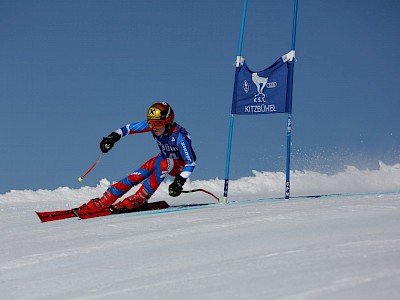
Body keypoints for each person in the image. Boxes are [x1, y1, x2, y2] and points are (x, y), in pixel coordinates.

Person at [76, 102, 196, 214]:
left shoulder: (180, 137)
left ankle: (140, 197)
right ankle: (107, 198)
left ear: (168, 122)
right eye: (151, 123)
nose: (154, 127)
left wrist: (179, 181)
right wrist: (112, 137)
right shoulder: (157, 126)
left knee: (164, 163)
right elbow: (129, 128)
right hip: (164, 158)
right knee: (139, 174)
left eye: (157, 123)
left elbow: (190, 163)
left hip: (179, 167)